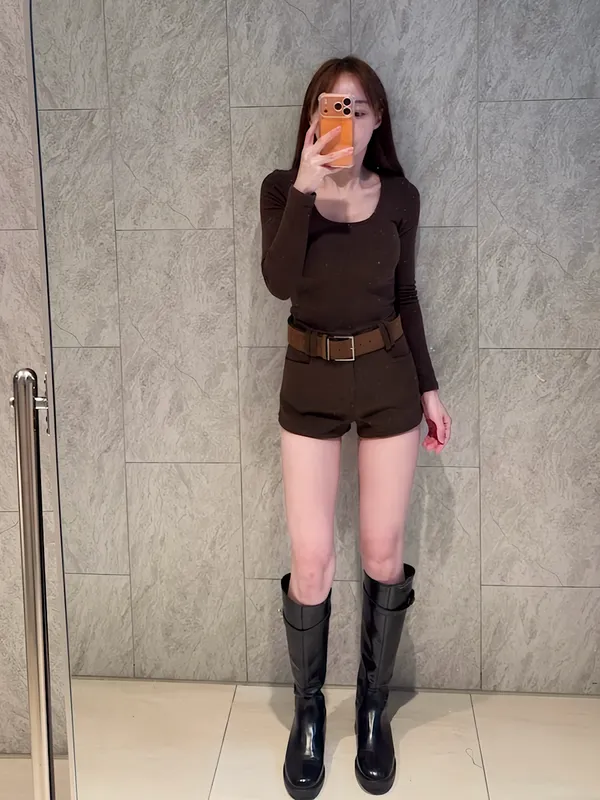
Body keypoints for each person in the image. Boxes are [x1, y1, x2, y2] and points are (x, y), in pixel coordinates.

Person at [259, 56, 451, 799]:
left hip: (386, 378)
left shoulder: (401, 198)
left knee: (382, 550)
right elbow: (279, 282)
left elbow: (407, 296)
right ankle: (309, 712)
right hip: (308, 379)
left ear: (377, 122)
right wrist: (307, 188)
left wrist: (428, 388)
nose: (343, 120)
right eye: (329, 108)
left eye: (357, 109)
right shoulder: (282, 191)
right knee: (311, 560)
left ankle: (372, 707)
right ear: (312, 119)